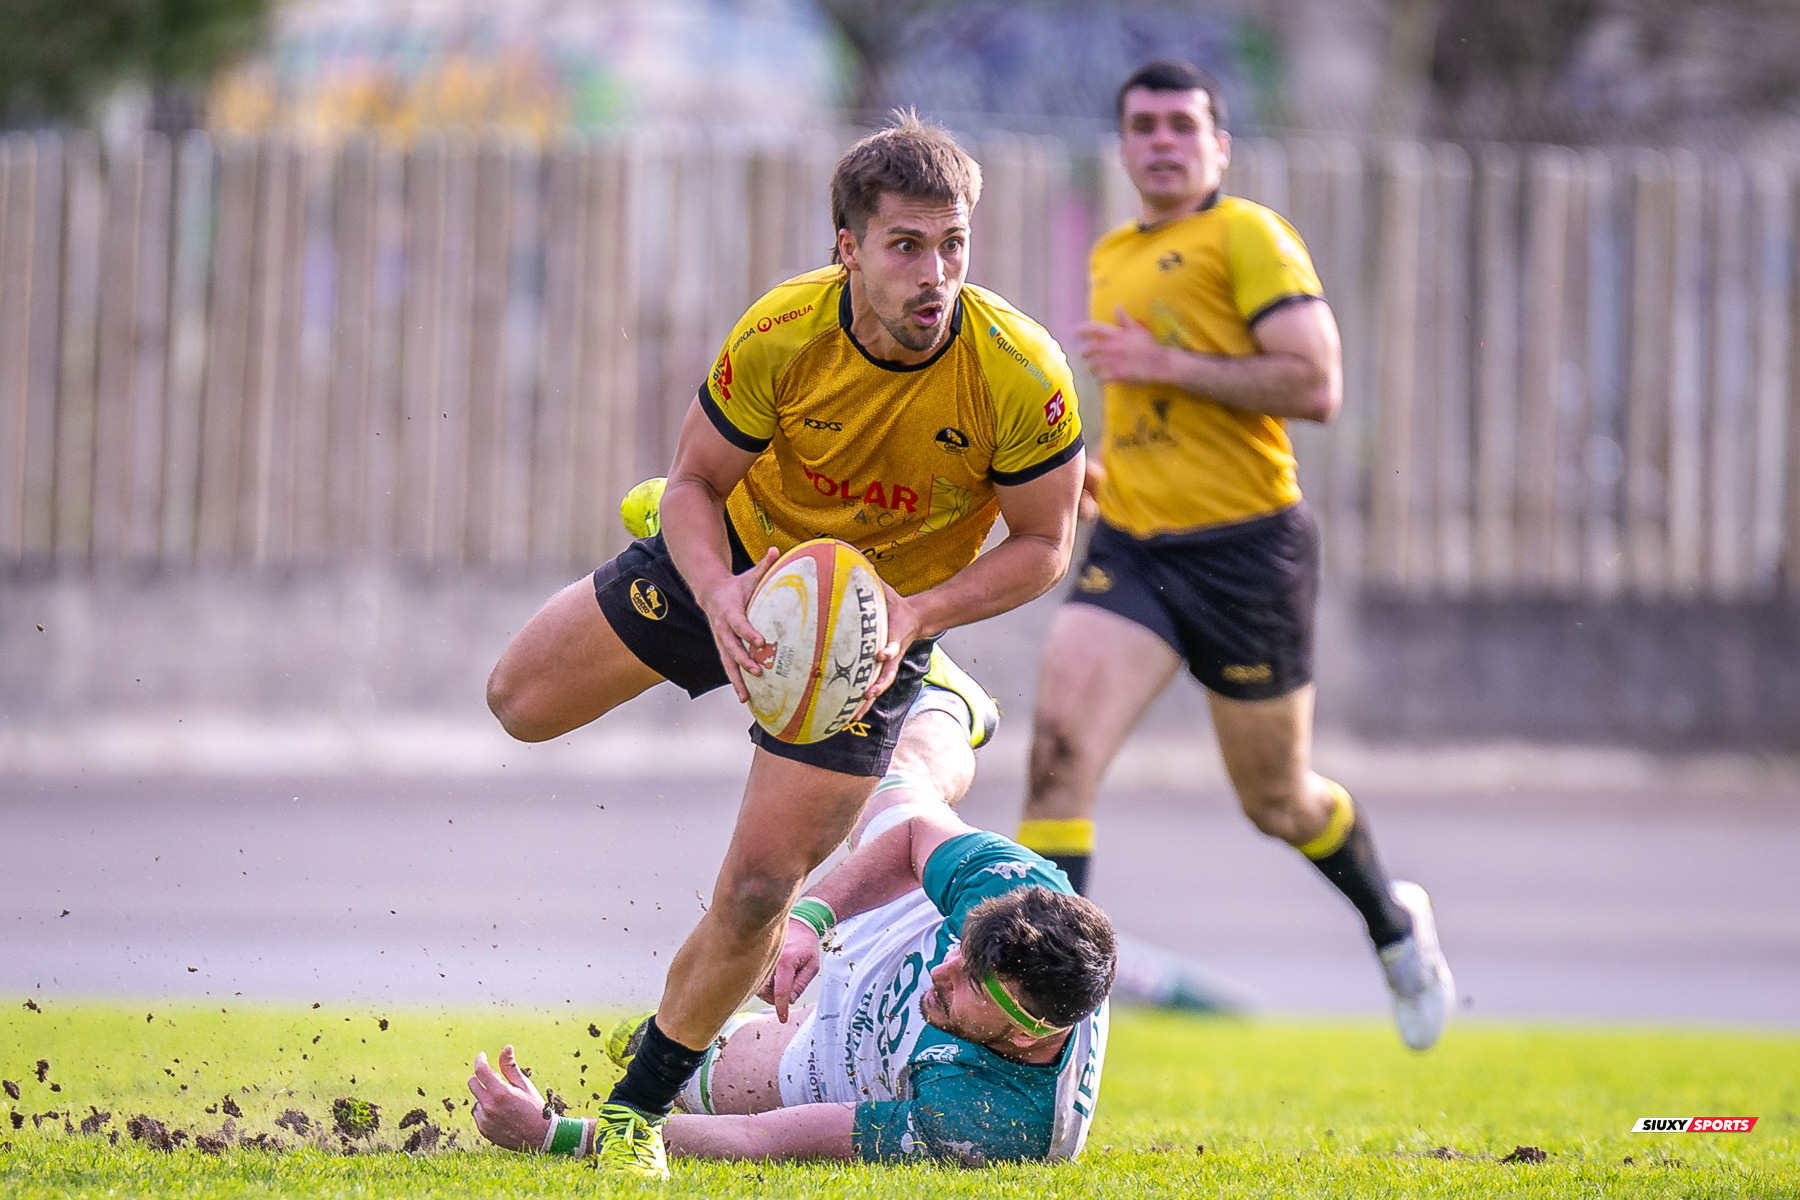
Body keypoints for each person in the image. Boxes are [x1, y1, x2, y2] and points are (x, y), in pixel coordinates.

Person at [484, 111, 1086, 1175]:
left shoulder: (1017, 372)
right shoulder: (781, 334)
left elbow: (1044, 544)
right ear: (847, 248)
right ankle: (736, 598)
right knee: (517, 703)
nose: (934, 272)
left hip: (872, 637)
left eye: (954, 246)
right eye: (906, 245)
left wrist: (917, 616)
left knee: (762, 891)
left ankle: (630, 1122)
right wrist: (717, 594)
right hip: (745, 566)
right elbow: (693, 487)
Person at [1013, 60, 1454, 1050]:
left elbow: (1317, 382)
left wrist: (1167, 364)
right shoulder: (1117, 249)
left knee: (1278, 801)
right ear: (1123, 148)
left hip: (1247, 553)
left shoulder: (1248, 235)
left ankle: (1393, 924)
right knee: (1057, 759)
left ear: (1219, 146)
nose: (1162, 141)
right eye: (1144, 126)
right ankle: (1048, 1028)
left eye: (1182, 125)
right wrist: (1094, 469)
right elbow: (1140, 405)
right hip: (1134, 547)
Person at [468, 706, 1114, 1166]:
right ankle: (950, 701)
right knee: (899, 787)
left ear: (1028, 1031)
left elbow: (762, 1140)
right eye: (962, 953)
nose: (942, 972)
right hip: (905, 919)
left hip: (858, 1061)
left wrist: (555, 1136)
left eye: (972, 981)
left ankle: (714, 1030)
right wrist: (808, 919)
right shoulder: (1018, 893)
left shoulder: (997, 1125)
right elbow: (915, 840)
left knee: (673, 1064)